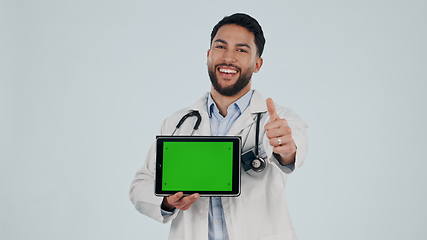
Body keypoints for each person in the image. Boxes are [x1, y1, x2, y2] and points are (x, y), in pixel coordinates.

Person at [129, 13, 308, 240]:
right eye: (220, 47)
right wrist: (166, 201)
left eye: (241, 50)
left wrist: (285, 148)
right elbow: (140, 185)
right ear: (208, 54)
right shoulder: (177, 123)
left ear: (257, 64)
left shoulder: (278, 119)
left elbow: (291, 150)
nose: (228, 58)